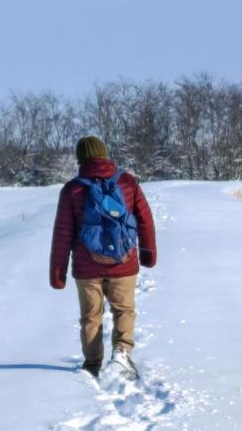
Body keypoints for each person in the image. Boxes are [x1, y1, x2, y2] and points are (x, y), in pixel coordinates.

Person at [49, 136, 157, 378]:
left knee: (91, 316)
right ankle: (121, 353)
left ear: (80, 158)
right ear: (104, 154)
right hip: (124, 263)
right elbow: (145, 221)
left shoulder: (72, 189)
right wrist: (148, 254)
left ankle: (92, 366)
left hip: (87, 268)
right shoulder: (128, 183)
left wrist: (58, 272)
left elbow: (62, 234)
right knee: (124, 310)